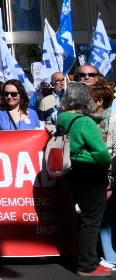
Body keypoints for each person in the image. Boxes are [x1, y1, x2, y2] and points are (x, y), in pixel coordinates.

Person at [58, 82, 113, 276]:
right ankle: (88, 265)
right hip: (89, 172)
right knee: (92, 220)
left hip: (70, 171)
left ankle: (85, 258)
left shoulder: (62, 118)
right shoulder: (84, 122)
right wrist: (107, 163)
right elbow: (100, 151)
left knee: (83, 219)